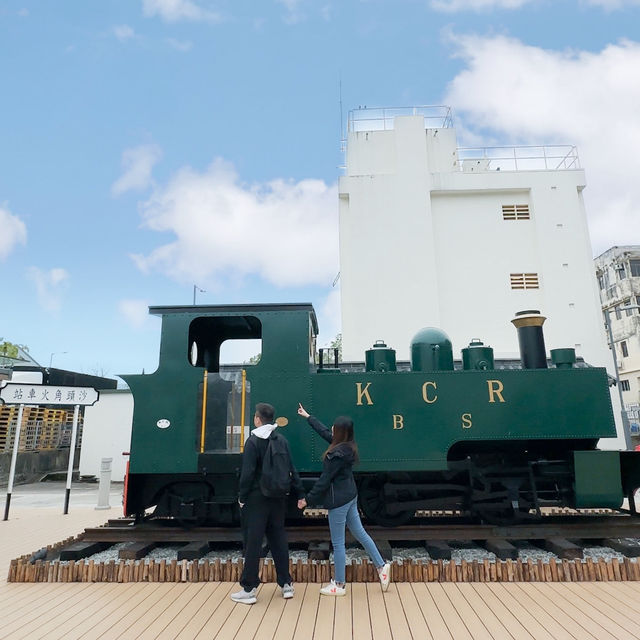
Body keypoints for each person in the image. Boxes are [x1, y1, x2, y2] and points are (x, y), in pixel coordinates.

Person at [297, 403, 390, 596]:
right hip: (350, 496)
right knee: (360, 533)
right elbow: (324, 433)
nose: (331, 428)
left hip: (338, 501)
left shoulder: (335, 455)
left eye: (334, 427)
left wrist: (307, 500)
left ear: (339, 432)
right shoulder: (347, 447)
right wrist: (308, 417)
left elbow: (324, 481)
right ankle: (382, 567)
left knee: (338, 543)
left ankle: (339, 585)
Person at [230, 402, 305, 605]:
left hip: (257, 499)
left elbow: (247, 475)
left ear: (257, 419)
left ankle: (249, 588)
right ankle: (286, 584)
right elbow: (292, 469)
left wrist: (242, 497)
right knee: (278, 538)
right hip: (278, 497)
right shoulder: (281, 440)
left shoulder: (253, 442)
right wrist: (300, 493)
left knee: (253, 542)